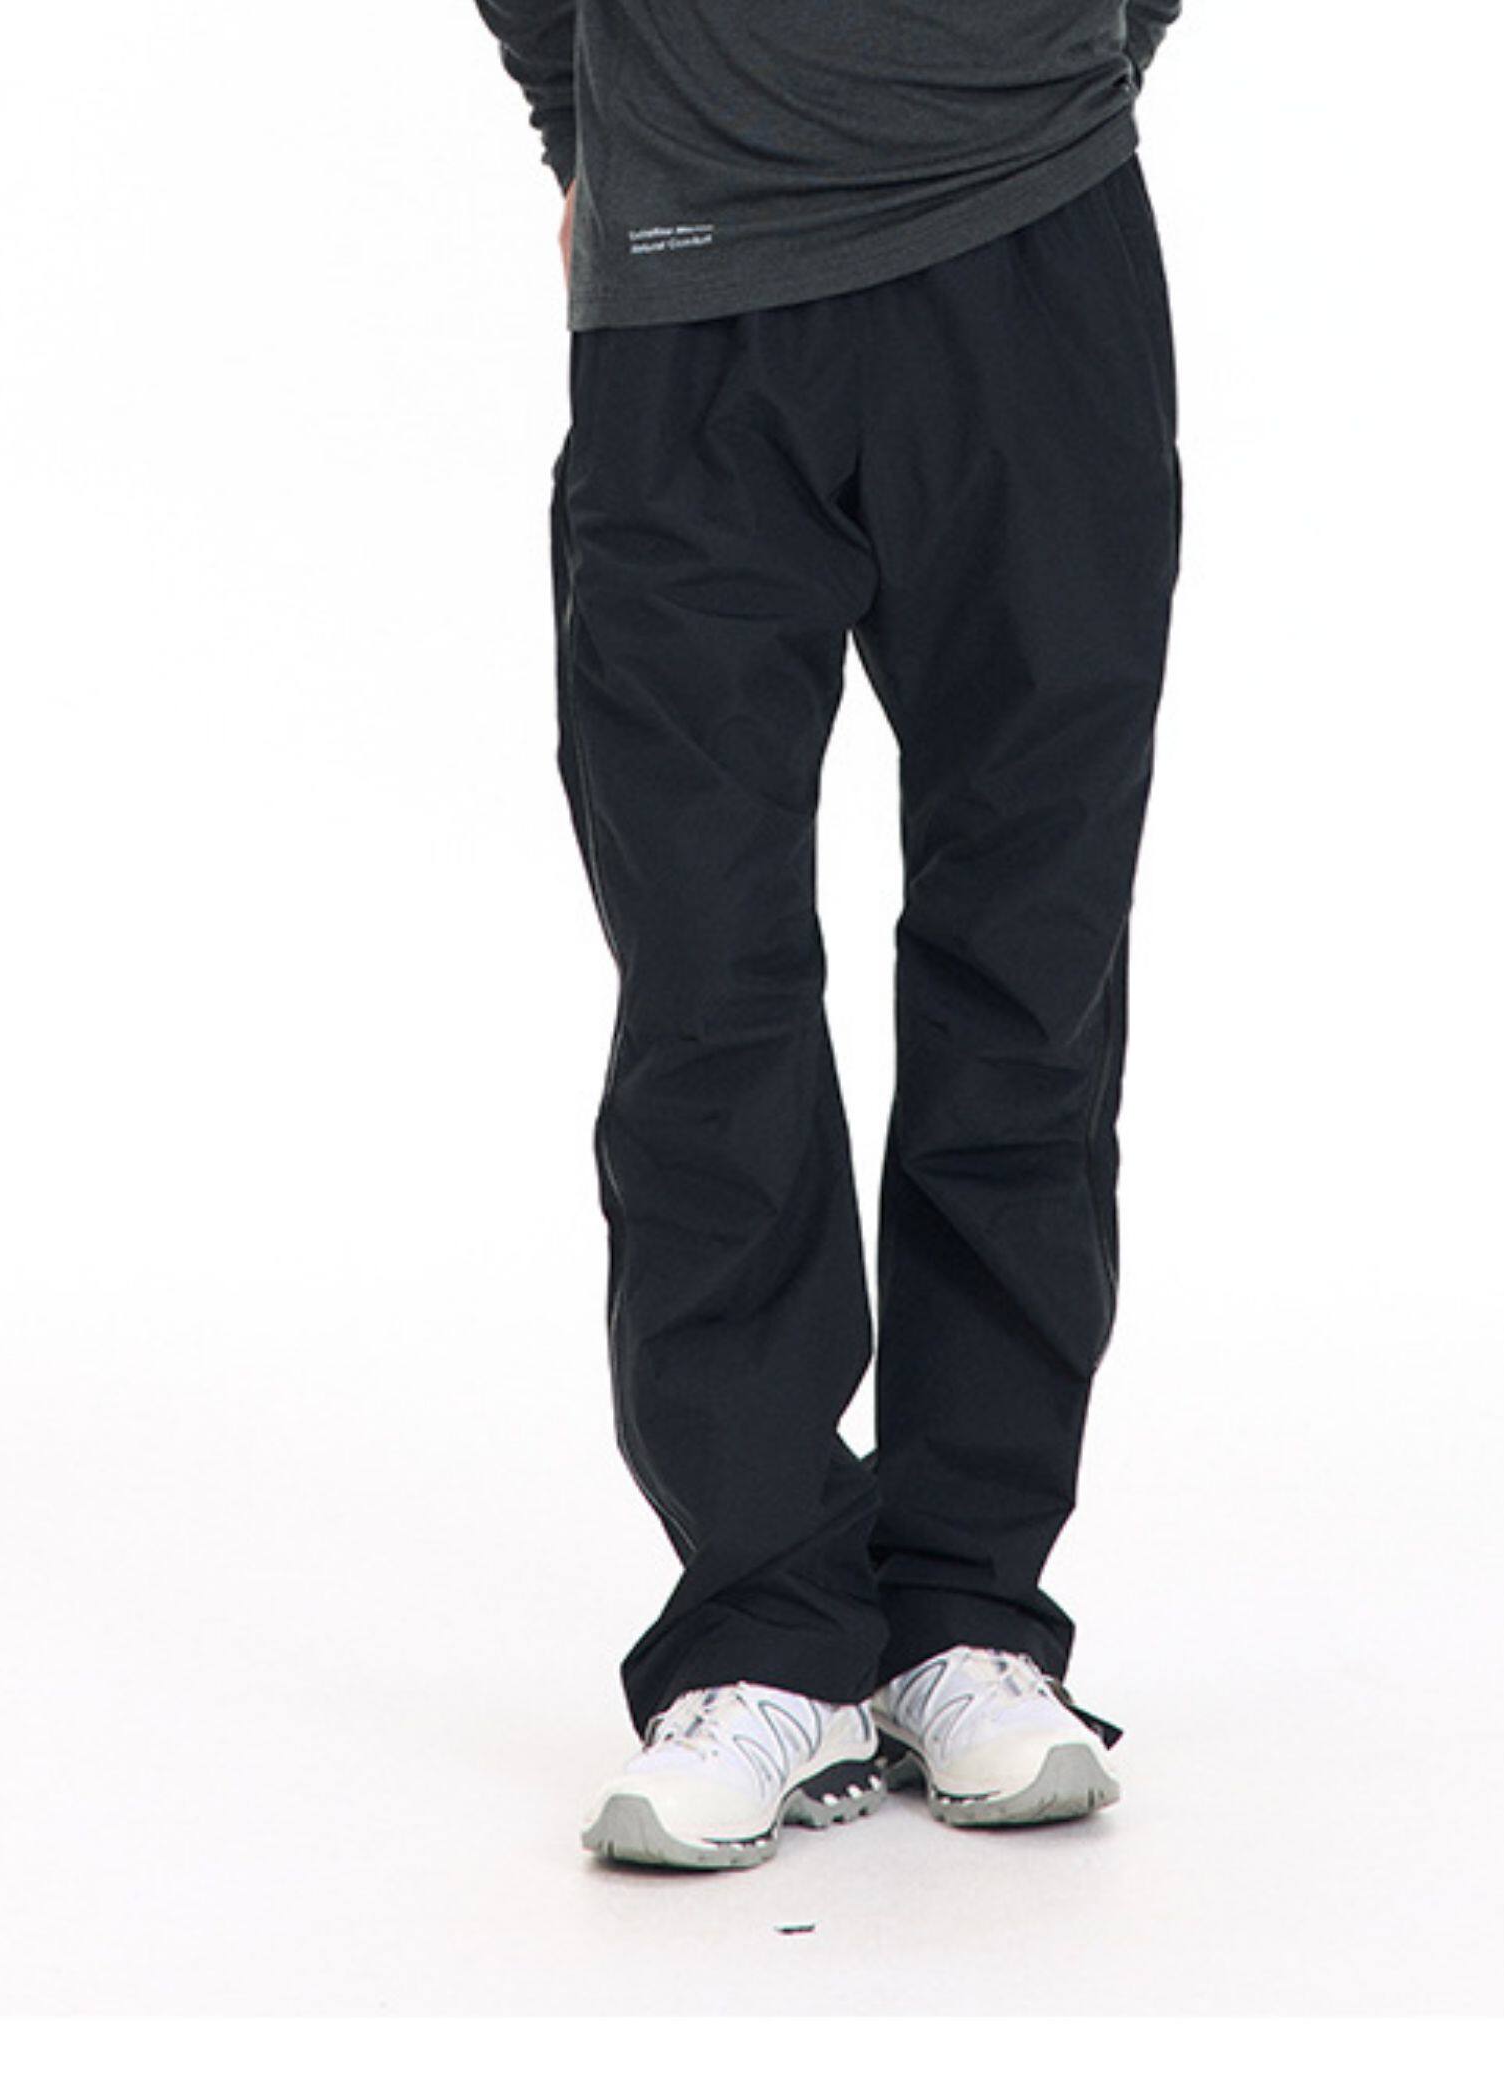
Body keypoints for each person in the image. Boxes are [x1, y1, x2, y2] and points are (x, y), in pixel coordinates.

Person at [471, 0, 1185, 1869]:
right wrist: (582, 131)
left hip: (1040, 251)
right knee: (707, 984)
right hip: (689, 292)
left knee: (1028, 963)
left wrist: (1071, 89)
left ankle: (968, 1613)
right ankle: (763, 1627)